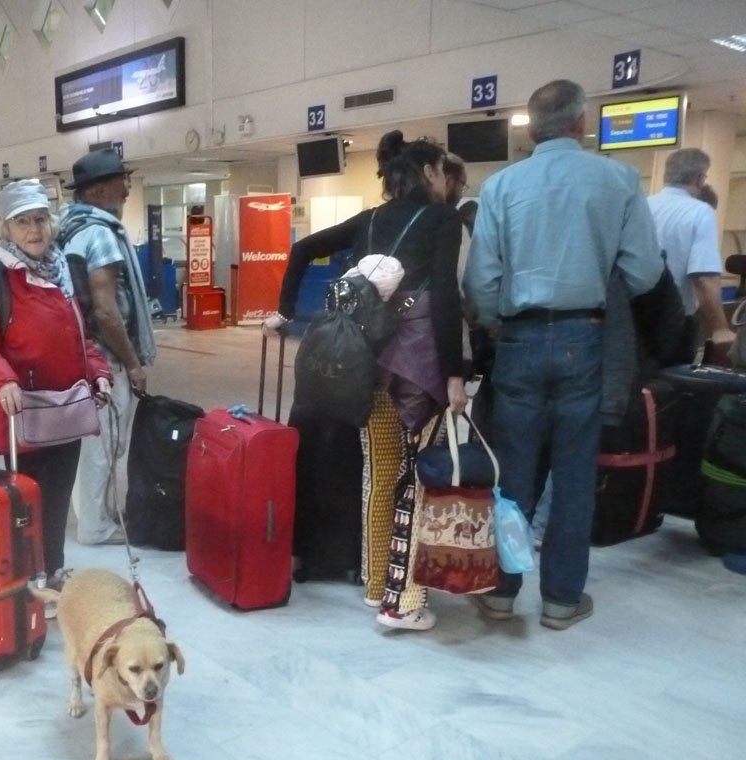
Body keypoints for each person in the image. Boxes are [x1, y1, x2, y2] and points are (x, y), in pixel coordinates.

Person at [463, 80, 663, 630]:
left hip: (519, 343)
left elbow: (480, 283)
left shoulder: (500, 186)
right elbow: (645, 273)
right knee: (574, 476)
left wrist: (498, 326)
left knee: (515, 474)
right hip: (587, 339)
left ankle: (502, 593)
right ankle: (561, 601)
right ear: (582, 123)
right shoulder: (619, 179)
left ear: (530, 128)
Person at [265, 131, 468, 631]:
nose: (445, 181)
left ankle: (377, 583)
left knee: (378, 476)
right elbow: (444, 297)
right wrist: (457, 372)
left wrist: (284, 312)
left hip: (363, 368)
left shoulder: (371, 219)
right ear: (428, 174)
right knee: (418, 479)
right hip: (418, 373)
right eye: (442, 172)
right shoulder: (443, 219)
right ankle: (405, 601)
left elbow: (303, 250)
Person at [0, 180, 112, 608]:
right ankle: (25, 581)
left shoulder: (64, 271)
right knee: (24, 501)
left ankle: (53, 572)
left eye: (40, 219)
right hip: (22, 415)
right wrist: (1, 378)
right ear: (6, 229)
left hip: (67, 410)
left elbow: (83, 338)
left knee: (58, 497)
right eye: (22, 221)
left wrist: (97, 373)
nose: (34, 229)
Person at [56, 149, 157, 545]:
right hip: (104, 356)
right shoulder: (99, 234)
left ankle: (90, 512)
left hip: (78, 351)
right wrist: (131, 363)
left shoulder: (69, 227)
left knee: (90, 438)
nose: (128, 188)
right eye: (121, 181)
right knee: (106, 440)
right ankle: (95, 526)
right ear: (99, 191)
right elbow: (106, 309)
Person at [647, 148, 734, 363]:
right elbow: (704, 276)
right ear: (699, 178)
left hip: (634, 316)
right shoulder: (699, 211)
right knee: (673, 388)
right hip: (674, 319)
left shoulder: (643, 205)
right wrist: (720, 328)